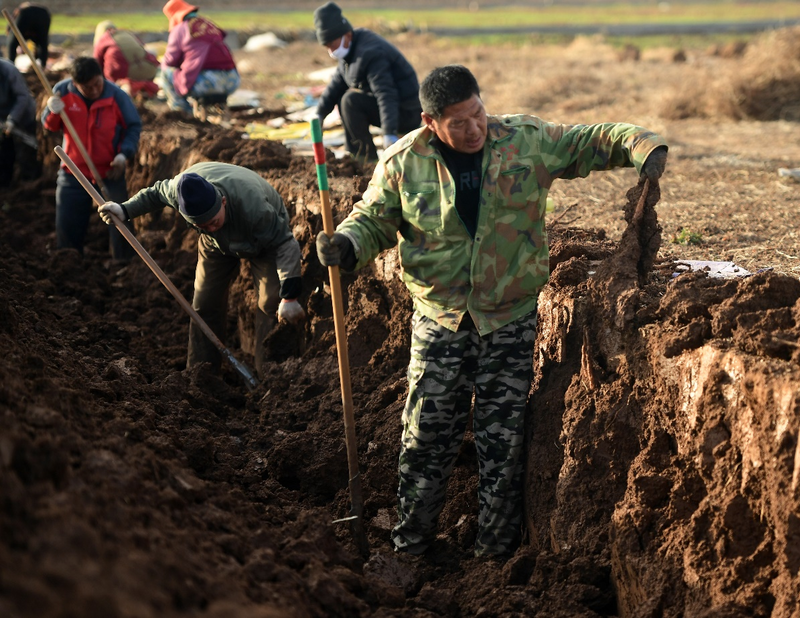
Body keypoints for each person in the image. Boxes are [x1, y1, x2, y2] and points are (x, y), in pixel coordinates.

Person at [316, 65, 668, 558]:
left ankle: (494, 556)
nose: (474, 128)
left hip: (509, 317)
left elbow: (589, 140)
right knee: (426, 437)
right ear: (430, 121)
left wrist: (641, 144)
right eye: (458, 122)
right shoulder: (403, 163)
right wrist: (348, 246)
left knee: (502, 444)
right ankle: (411, 546)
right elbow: (372, 220)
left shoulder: (524, 140)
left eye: (477, 114)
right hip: (440, 319)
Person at [97, 162, 305, 375]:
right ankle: (201, 372)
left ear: (223, 202)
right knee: (204, 303)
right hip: (215, 244)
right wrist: (125, 209)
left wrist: (289, 296)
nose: (210, 227)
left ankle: (270, 374)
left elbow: (285, 243)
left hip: (262, 241)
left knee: (269, 304)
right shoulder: (180, 192)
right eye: (201, 225)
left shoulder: (255, 208)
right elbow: (155, 193)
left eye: (213, 221)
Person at [42, 56, 141, 262]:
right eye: (87, 87)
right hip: (74, 171)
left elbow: (133, 126)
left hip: (109, 170)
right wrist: (52, 112)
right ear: (75, 84)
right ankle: (69, 262)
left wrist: (124, 154)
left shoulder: (117, 96)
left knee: (120, 218)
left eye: (97, 83)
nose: (94, 90)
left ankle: (124, 265)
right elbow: (50, 126)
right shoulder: (63, 92)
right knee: (68, 223)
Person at [313, 1, 421, 163]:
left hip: (406, 111)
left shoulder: (370, 53)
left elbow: (386, 94)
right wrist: (319, 114)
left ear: (347, 35)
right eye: (327, 46)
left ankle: (365, 159)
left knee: (350, 101)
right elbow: (336, 85)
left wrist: (388, 133)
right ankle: (357, 154)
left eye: (332, 45)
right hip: (393, 109)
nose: (331, 51)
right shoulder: (349, 52)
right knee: (344, 96)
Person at [159, 0, 239, 115]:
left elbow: (170, 60)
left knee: (165, 71)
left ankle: (181, 112)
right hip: (232, 80)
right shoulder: (209, 24)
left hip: (206, 83)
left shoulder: (180, 29)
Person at [93, 20, 159, 101]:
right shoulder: (126, 34)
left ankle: (125, 88)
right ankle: (142, 90)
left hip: (123, 73)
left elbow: (96, 64)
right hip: (149, 70)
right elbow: (143, 49)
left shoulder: (103, 39)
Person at [0, 57, 40, 187]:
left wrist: (12, 120)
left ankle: (30, 184)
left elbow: (22, 96)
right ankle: (6, 185)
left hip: (23, 116)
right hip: (2, 119)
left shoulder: (8, 70)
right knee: (4, 152)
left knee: (26, 153)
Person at [5, 3, 51, 68]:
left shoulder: (13, 25)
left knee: (13, 41)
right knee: (42, 43)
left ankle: (10, 65)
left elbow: (11, 40)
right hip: (44, 14)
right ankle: (41, 66)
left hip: (27, 14)